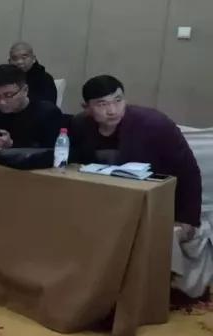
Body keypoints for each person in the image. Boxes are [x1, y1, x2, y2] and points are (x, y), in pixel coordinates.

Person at [69, 75, 202, 237]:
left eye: (118, 100)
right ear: (87, 107)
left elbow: (188, 171)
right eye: (102, 104)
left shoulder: (155, 124)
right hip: (102, 205)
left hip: (150, 205)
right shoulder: (80, 125)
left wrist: (187, 220)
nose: (112, 110)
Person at [8, 41, 58, 106]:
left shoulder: (45, 78)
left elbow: (48, 106)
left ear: (33, 58)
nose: (19, 62)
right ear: (9, 61)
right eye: (15, 58)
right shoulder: (5, 78)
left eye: (24, 57)